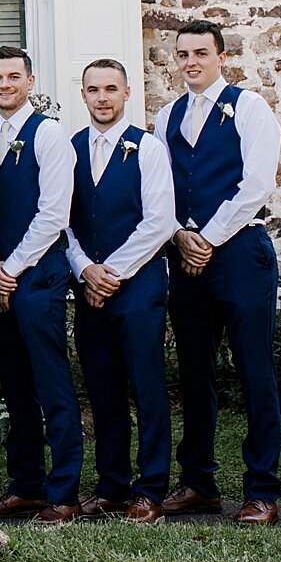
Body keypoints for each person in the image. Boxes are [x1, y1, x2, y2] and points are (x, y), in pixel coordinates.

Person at [154, 21, 281, 526]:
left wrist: (207, 236)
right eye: (183, 54)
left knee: (254, 371)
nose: (191, 62)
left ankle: (261, 490)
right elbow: (159, 187)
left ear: (221, 57)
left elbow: (256, 184)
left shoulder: (248, 108)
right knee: (193, 371)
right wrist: (178, 237)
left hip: (239, 252)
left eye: (201, 53)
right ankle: (199, 482)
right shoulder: (166, 116)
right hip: (185, 255)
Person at [0, 46, 84, 525]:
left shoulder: (50, 135)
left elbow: (53, 215)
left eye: (13, 76)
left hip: (38, 275)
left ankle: (65, 491)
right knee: (14, 385)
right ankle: (27, 486)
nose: (4, 85)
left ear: (30, 80)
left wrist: (11, 268)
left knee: (50, 383)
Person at [67, 59, 177, 524]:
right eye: (93, 89)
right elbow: (62, 220)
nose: (102, 97)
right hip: (88, 283)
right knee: (102, 388)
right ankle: (111, 485)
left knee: (146, 387)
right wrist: (85, 269)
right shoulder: (70, 148)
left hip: (137, 285)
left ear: (127, 93)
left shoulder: (147, 148)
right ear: (84, 95)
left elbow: (159, 221)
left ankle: (150, 489)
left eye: (111, 88)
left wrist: (109, 273)